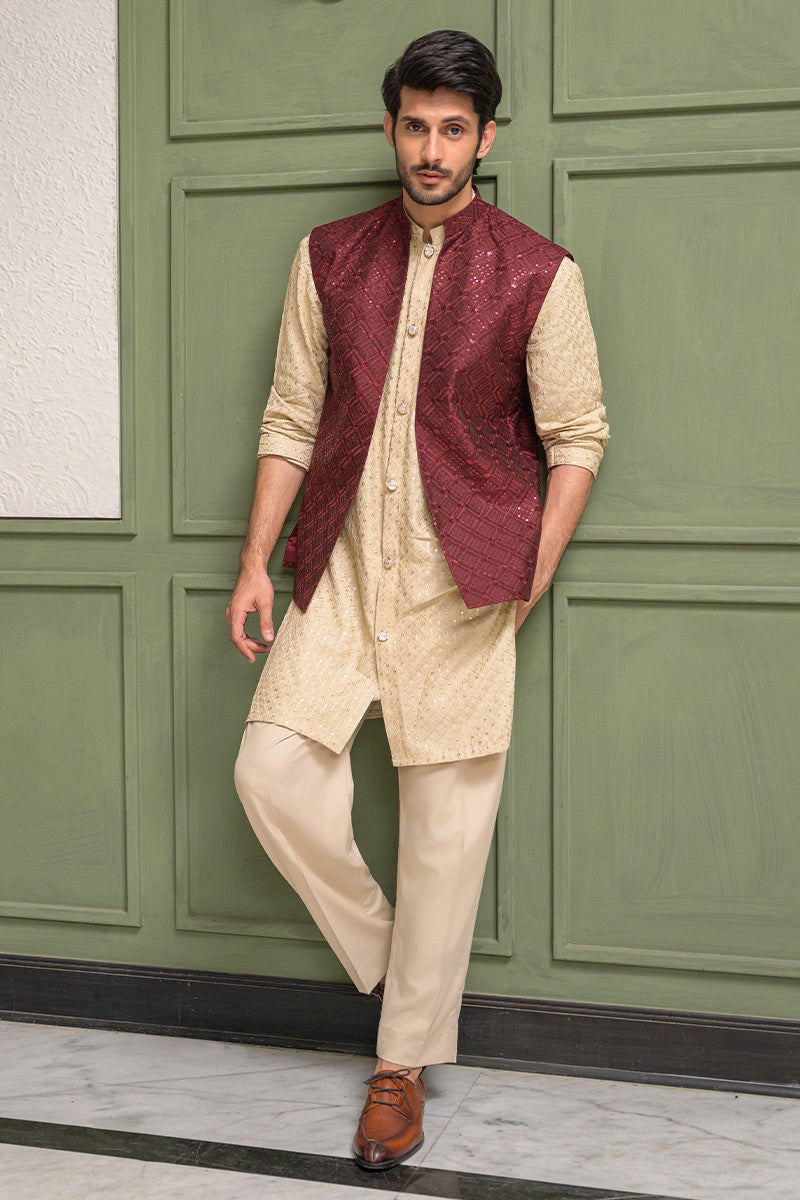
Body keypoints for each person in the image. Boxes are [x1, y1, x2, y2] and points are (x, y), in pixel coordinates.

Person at [227, 29, 609, 1171]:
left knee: (445, 836)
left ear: (485, 138)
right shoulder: (327, 257)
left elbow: (577, 436)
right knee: (269, 773)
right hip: (340, 566)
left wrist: (532, 570)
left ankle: (399, 1066)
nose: (431, 149)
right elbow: (291, 416)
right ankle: (403, 968)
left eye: (453, 129)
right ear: (389, 127)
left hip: (464, 581)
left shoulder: (540, 273)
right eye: (414, 126)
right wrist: (254, 562)